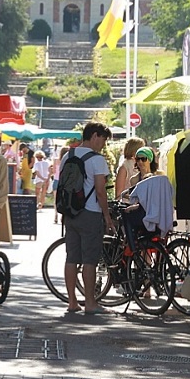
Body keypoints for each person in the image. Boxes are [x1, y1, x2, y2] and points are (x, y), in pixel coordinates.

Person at [61, 122, 114, 314]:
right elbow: (100, 191)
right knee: (89, 259)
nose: (103, 144)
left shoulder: (68, 156)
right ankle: (90, 303)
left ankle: (72, 302)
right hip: (90, 213)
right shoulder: (97, 160)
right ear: (94, 136)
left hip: (70, 213)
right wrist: (107, 216)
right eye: (103, 139)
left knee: (71, 258)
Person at [52, 146, 69, 224]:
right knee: (64, 199)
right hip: (64, 181)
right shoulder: (68, 160)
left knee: (56, 199)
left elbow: (53, 171)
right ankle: (63, 215)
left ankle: (55, 215)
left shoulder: (56, 160)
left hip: (56, 180)